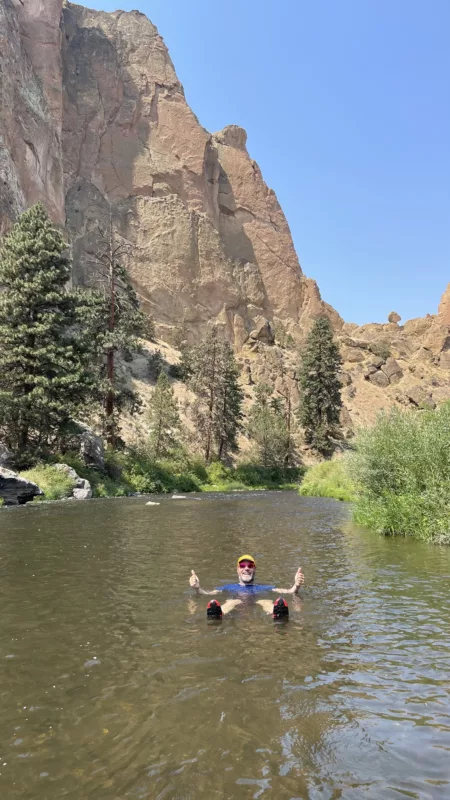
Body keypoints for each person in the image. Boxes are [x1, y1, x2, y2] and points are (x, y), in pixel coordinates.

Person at [189, 554, 304, 619]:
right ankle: (217, 614)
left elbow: (288, 591)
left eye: (250, 565)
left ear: (254, 569)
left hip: (258, 600)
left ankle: (277, 613)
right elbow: (208, 594)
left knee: (265, 601)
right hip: (237, 603)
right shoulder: (229, 587)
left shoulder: (263, 587)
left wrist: (296, 586)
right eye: (242, 565)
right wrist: (198, 588)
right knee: (231, 602)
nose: (246, 568)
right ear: (238, 569)